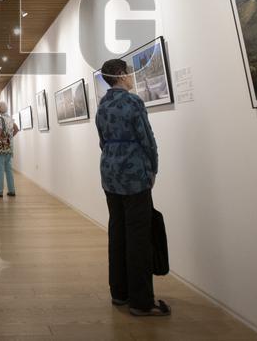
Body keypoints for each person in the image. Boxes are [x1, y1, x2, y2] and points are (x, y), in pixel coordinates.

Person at [96, 58, 170, 318]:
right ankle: (141, 301)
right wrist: (154, 168)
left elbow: (102, 141)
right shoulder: (133, 101)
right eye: (128, 72)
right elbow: (147, 139)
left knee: (117, 231)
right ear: (120, 74)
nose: (131, 76)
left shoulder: (102, 105)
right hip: (134, 175)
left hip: (110, 174)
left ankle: (119, 292)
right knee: (138, 236)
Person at [0, 101, 18, 197]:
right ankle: (12, 190)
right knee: (9, 170)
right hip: (9, 147)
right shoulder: (10, 119)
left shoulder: (0, 119)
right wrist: (9, 138)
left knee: (0, 169)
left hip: (2, 148)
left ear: (0, 108)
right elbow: (16, 129)